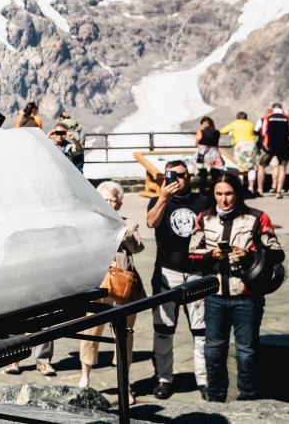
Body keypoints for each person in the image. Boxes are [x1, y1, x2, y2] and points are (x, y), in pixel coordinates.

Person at [189, 179, 284, 402]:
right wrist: (210, 255)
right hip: (215, 297)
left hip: (247, 296)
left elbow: (277, 253)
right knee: (213, 351)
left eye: (229, 193)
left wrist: (249, 255)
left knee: (247, 353)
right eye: (219, 194)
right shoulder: (204, 218)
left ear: (238, 194)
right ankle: (215, 399)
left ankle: (248, 400)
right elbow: (191, 255)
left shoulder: (257, 217)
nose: (224, 199)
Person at [145, 160, 212, 399]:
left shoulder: (202, 201)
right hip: (167, 272)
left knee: (201, 331)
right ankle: (164, 378)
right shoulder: (158, 200)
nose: (178, 179)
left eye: (182, 175)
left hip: (197, 273)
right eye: (172, 175)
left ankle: (204, 380)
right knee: (163, 330)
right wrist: (163, 198)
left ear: (189, 176)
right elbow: (151, 222)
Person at [77, 182, 146, 402]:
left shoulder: (129, 223)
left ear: (119, 203)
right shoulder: (90, 223)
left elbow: (138, 247)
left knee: (124, 336)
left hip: (123, 287)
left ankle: (124, 384)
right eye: (104, 199)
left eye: (112, 200)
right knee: (90, 332)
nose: (108, 203)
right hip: (97, 286)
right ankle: (85, 377)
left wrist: (122, 231)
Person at [256, 103, 289, 196]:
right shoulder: (288, 117)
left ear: (272, 109)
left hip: (270, 146)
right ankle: (279, 191)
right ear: (282, 109)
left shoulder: (267, 117)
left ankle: (260, 190)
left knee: (261, 166)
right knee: (282, 168)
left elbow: (263, 131)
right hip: (284, 146)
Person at [219, 112, 258, 195]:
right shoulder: (250, 124)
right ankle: (251, 188)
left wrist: (231, 132)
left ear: (237, 117)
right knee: (251, 167)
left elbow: (222, 130)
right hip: (251, 145)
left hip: (240, 145)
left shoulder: (235, 124)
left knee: (240, 167)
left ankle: (240, 186)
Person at [196, 116, 225, 188]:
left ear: (204, 123)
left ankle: (202, 191)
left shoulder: (200, 132)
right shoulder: (217, 132)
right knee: (215, 175)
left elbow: (196, 144)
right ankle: (216, 190)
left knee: (203, 175)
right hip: (214, 154)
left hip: (203, 155)